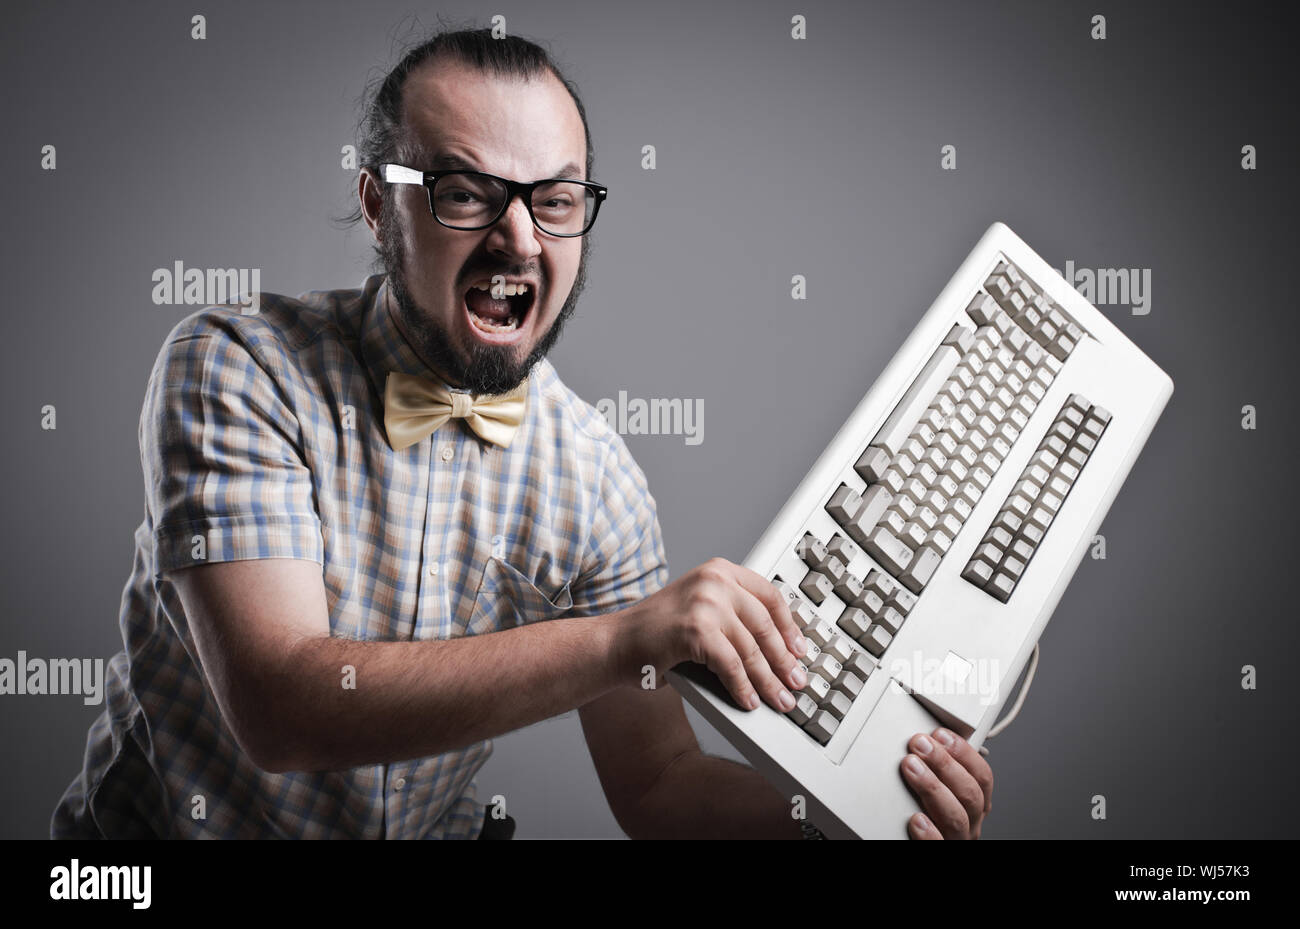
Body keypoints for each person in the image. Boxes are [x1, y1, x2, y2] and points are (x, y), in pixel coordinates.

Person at [51, 27, 992, 840]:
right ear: (381, 207)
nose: (521, 239)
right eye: (465, 192)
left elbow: (659, 785)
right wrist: (619, 640)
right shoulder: (236, 367)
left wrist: (846, 819)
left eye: (555, 199)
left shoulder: (597, 481)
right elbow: (283, 704)